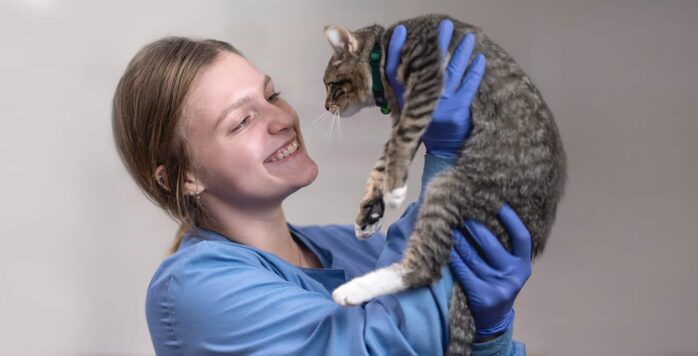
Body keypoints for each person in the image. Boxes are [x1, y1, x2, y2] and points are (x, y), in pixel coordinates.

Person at [114, 20, 532, 355]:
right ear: (185, 177)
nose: (281, 119)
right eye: (241, 121)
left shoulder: (356, 248)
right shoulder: (194, 289)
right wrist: (446, 164)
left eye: (272, 95)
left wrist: (488, 337)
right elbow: (387, 347)